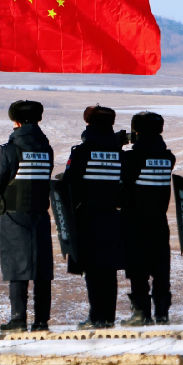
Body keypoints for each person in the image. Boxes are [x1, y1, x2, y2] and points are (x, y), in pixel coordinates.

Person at [0, 100, 55, 333]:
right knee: (41, 269)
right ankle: (41, 321)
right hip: (40, 215)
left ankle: (18, 319)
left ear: (15, 121)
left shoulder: (10, 150)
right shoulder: (46, 149)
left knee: (18, 268)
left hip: (14, 216)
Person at [61, 105, 125, 329]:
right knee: (109, 270)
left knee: (93, 269)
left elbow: (69, 184)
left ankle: (96, 317)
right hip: (113, 217)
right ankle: (108, 317)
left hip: (88, 218)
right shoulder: (120, 154)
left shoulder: (82, 152)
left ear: (88, 123)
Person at [120, 112, 176, 325]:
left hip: (136, 222)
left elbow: (122, 188)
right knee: (161, 269)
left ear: (137, 132)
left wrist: (117, 144)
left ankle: (141, 313)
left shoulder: (132, 158)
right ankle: (162, 313)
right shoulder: (168, 158)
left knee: (138, 270)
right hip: (160, 221)